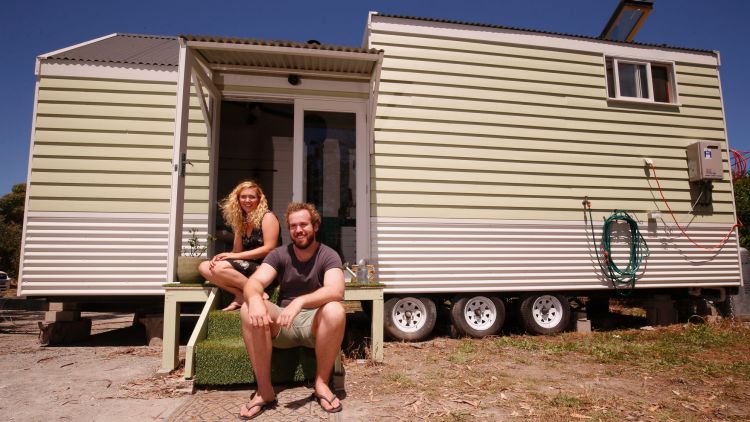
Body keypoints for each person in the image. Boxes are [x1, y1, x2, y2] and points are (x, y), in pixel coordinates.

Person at [238, 202, 346, 420]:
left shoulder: (328, 255)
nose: (298, 230)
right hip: (283, 323)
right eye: (293, 226)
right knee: (248, 307)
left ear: (315, 226)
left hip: (315, 323)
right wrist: (255, 298)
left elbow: (336, 291)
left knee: (335, 309)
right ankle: (264, 391)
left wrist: (301, 302)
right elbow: (254, 282)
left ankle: (322, 385)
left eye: (304, 224)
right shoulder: (279, 255)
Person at [199, 181, 281, 311]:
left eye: (252, 197)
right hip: (246, 266)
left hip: (267, 268)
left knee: (220, 268)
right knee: (205, 267)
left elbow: (269, 248)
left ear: (259, 199)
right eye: (243, 197)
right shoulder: (241, 221)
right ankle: (240, 294)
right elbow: (237, 251)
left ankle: (256, 291)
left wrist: (233, 256)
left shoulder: (268, 217)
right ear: (237, 199)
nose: (247, 200)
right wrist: (221, 257)